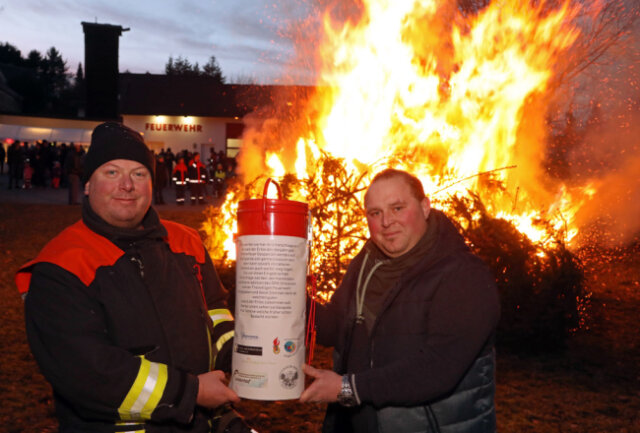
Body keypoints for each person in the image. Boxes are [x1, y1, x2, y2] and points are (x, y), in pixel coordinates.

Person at [16, 122, 252, 433]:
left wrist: (241, 361)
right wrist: (192, 393)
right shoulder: (60, 266)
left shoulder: (186, 243)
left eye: (138, 174)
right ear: (87, 184)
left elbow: (216, 313)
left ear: (152, 184)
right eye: (111, 173)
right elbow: (90, 374)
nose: (126, 185)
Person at [300, 168, 500, 433]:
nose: (386, 222)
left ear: (425, 207)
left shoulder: (464, 276)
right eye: (375, 213)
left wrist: (348, 388)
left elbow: (437, 369)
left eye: (397, 208)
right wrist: (287, 298)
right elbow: (337, 327)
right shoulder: (366, 264)